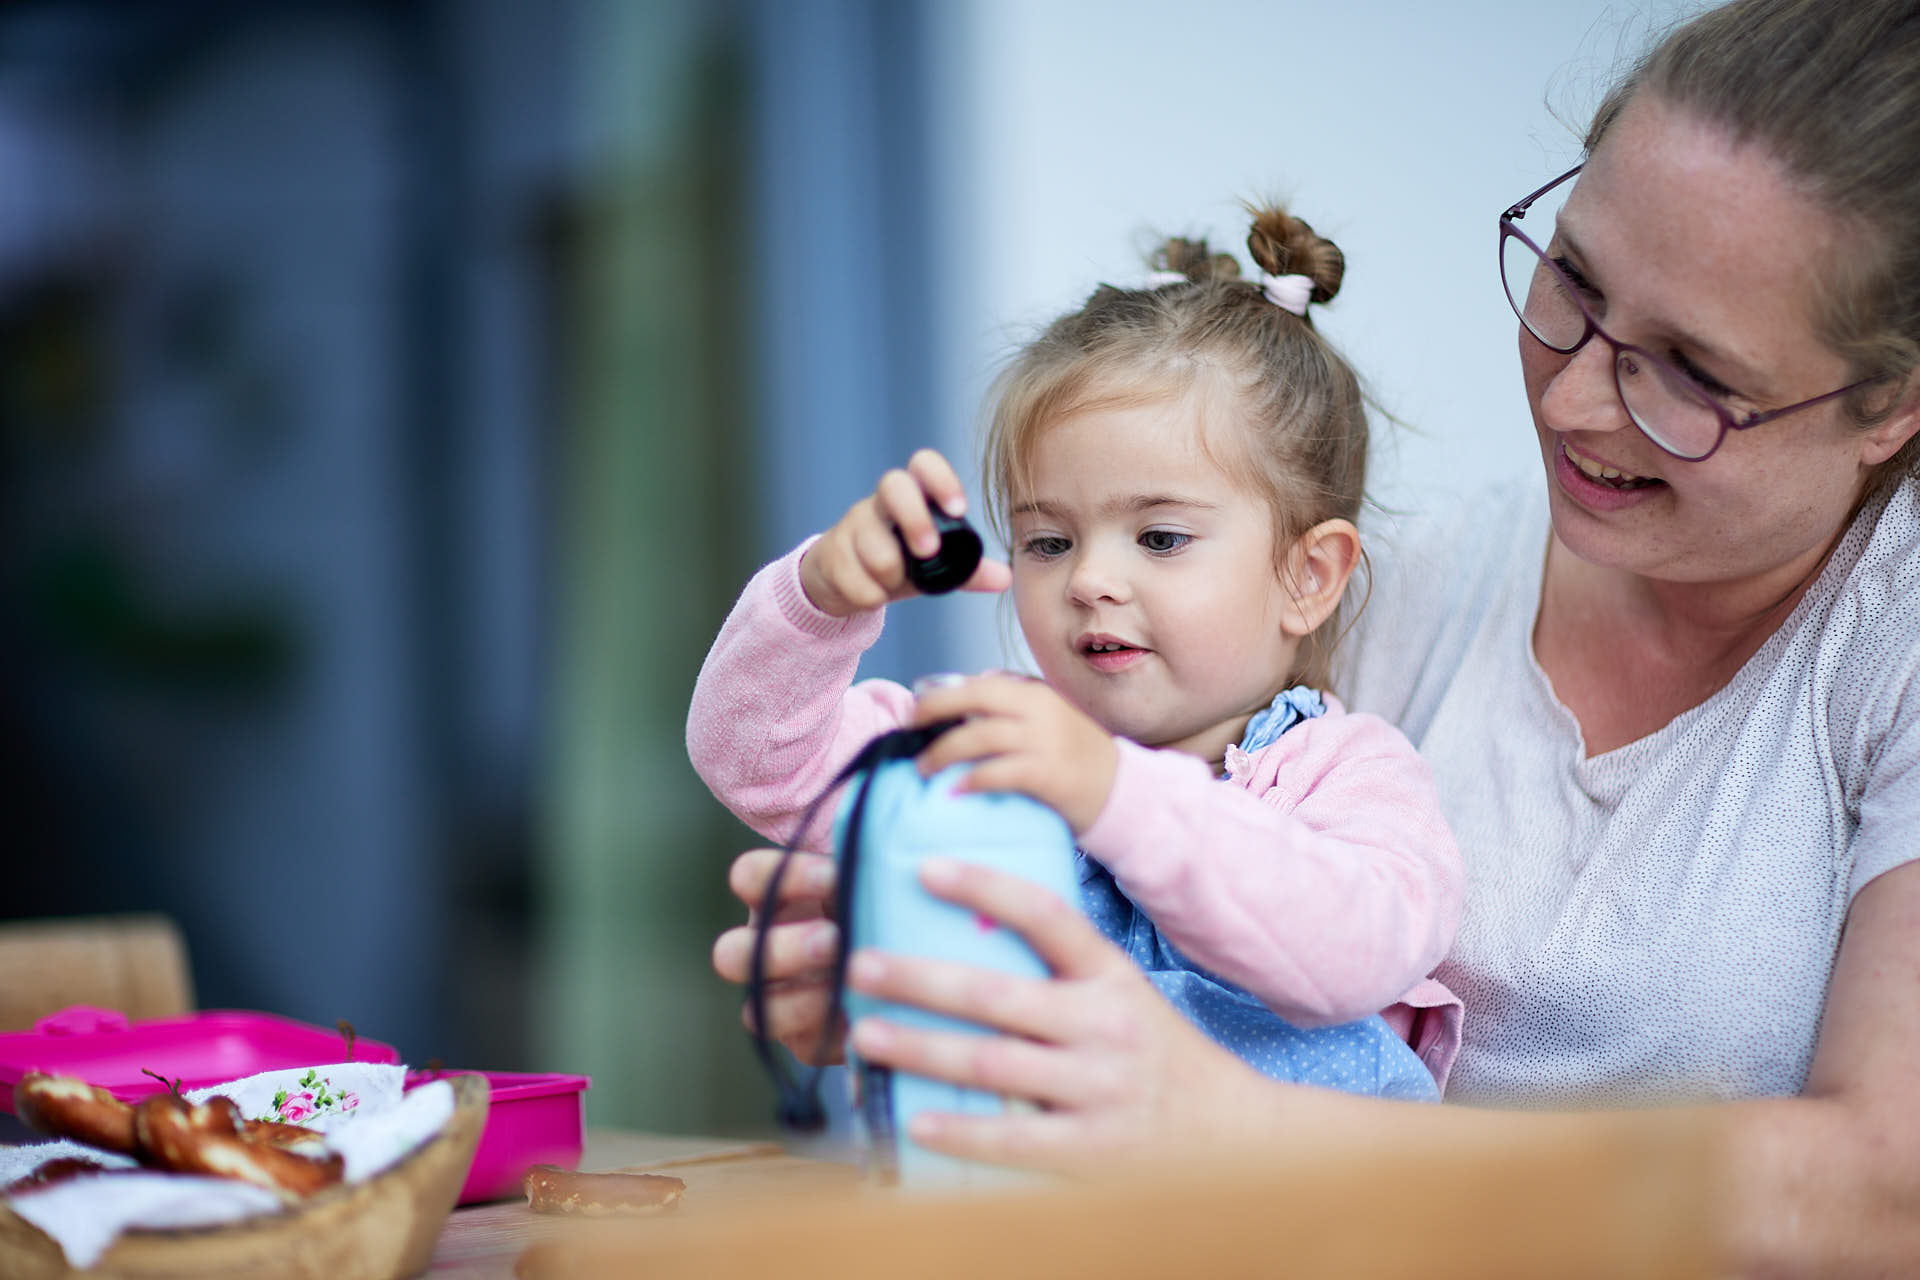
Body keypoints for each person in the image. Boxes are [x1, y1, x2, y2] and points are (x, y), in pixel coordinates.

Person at [707, 0, 1920, 1271]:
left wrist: (1221, 1116)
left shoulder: (1320, 754)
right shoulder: (1349, 611)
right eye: (1572, 280)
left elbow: (1887, 1189)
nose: (1570, 399)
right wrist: (923, 971)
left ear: (1893, 403)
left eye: (1690, 374)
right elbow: (769, 760)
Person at [687, 207, 1464, 1100]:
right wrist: (819, 602)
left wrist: (1112, 794)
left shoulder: (1351, 773)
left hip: (1290, 1193)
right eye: (1048, 543)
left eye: (1161, 538)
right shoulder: (994, 740)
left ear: (1307, 576)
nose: (1090, 579)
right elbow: (761, 765)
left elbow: (1356, 953)